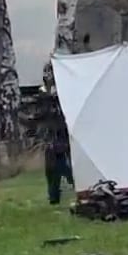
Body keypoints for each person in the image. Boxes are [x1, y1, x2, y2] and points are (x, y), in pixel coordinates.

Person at [23, 67, 72, 204]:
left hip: (62, 133)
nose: (48, 76)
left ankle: (77, 187)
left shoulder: (63, 90)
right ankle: (54, 196)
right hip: (50, 136)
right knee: (52, 169)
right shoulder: (43, 93)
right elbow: (40, 115)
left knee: (65, 166)